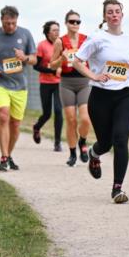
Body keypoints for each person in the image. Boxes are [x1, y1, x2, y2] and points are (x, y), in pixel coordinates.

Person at [69, 0, 129, 203]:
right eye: (110, 12)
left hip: (125, 96)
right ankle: (94, 155)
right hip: (101, 97)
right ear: (105, 16)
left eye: (117, 11)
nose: (114, 15)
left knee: (120, 139)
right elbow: (77, 62)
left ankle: (117, 189)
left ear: (122, 15)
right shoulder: (97, 38)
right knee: (105, 143)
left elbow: (128, 65)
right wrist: (94, 76)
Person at [0, 5, 37, 172]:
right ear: (1, 20)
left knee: (15, 124)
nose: (10, 26)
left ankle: (9, 155)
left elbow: (34, 59)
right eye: (7, 23)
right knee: (3, 116)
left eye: (13, 23)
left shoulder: (25, 34)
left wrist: (24, 57)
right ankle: (3, 157)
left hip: (20, 86)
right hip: (0, 84)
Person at [48, 10, 93, 167]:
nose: (75, 24)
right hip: (67, 83)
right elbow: (51, 65)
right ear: (66, 23)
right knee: (71, 119)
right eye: (72, 21)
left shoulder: (86, 40)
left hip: (84, 82)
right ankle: (73, 153)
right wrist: (62, 58)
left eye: (77, 22)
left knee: (85, 119)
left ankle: (83, 141)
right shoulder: (60, 42)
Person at [32, 20, 64, 152]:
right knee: (47, 113)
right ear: (47, 33)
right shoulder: (42, 46)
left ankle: (57, 142)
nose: (57, 32)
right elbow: (36, 66)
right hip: (45, 83)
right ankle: (37, 127)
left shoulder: (62, 44)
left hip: (59, 83)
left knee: (58, 110)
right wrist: (51, 71)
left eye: (58, 30)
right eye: (54, 30)